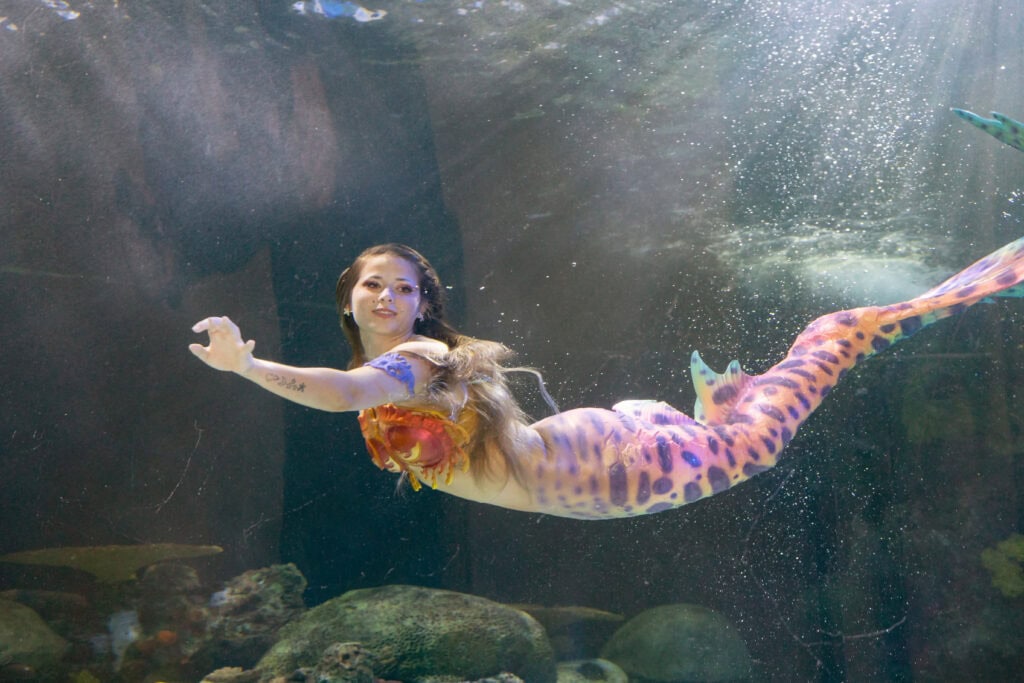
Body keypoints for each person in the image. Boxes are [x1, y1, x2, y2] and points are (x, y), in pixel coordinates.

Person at [192, 239, 1024, 520]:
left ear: (421, 306)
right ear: (350, 295)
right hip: (625, 468)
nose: (388, 296)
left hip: (648, 463)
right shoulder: (389, 365)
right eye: (374, 283)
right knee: (794, 368)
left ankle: (998, 274)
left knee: (838, 332)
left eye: (404, 287)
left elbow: (339, 397)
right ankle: (714, 408)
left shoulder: (418, 360)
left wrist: (246, 364)